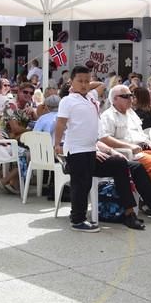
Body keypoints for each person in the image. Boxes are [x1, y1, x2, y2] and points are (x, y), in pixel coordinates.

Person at [100, 85, 151, 187]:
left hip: (146, 148)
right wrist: (130, 147)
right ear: (115, 99)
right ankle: (146, 197)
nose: (130, 99)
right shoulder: (108, 116)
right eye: (126, 96)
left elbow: (140, 134)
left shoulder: (132, 113)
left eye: (131, 95)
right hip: (130, 153)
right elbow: (104, 139)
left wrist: (150, 143)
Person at [54, 66, 102, 232]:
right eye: (79, 81)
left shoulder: (89, 97)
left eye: (86, 81)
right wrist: (57, 143)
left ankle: (77, 212)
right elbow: (60, 123)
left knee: (86, 183)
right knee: (79, 184)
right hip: (76, 149)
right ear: (71, 82)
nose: (84, 84)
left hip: (90, 148)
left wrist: (88, 83)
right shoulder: (68, 100)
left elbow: (100, 84)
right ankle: (78, 220)